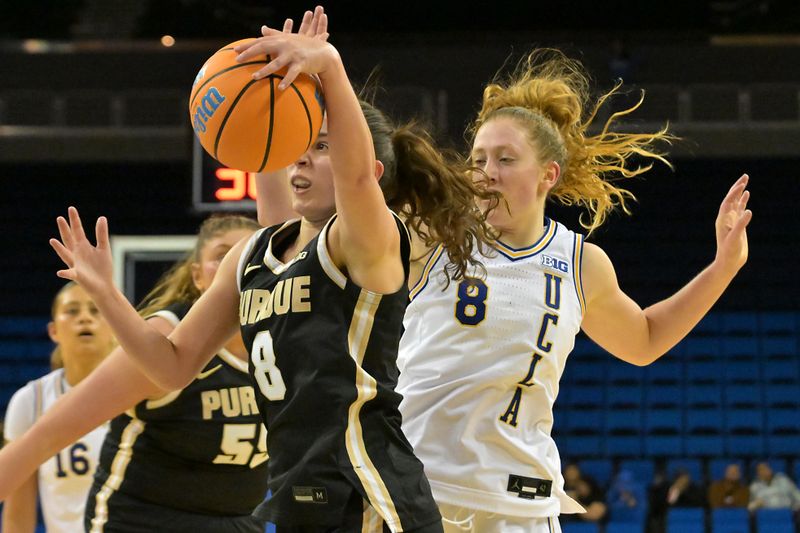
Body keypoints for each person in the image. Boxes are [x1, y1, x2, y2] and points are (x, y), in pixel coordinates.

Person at [35, 6, 494, 531]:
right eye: (300, 146)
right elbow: (170, 367)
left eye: (321, 148)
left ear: (368, 166)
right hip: (298, 494)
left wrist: (329, 66)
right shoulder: (252, 254)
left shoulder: (364, 240)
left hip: (369, 487)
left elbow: (357, 183)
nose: (302, 159)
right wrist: (107, 293)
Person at [396, 48, 752, 532]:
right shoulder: (430, 234)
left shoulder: (579, 263)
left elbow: (644, 340)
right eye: (478, 158)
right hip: (416, 495)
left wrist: (723, 267)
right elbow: (352, 202)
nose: (487, 172)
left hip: (519, 507)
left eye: (505, 158)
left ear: (548, 175)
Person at [0, 215, 269, 533]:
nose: (236, 266)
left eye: (250, 254)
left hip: (237, 522)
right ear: (197, 276)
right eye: (222, 256)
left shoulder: (282, 341)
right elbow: (41, 441)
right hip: (141, 522)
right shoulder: (163, 340)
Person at [2, 282, 115, 533]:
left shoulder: (140, 392)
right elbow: (18, 511)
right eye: (72, 311)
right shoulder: (32, 400)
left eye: (96, 311)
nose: (85, 318)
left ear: (114, 326)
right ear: (53, 331)